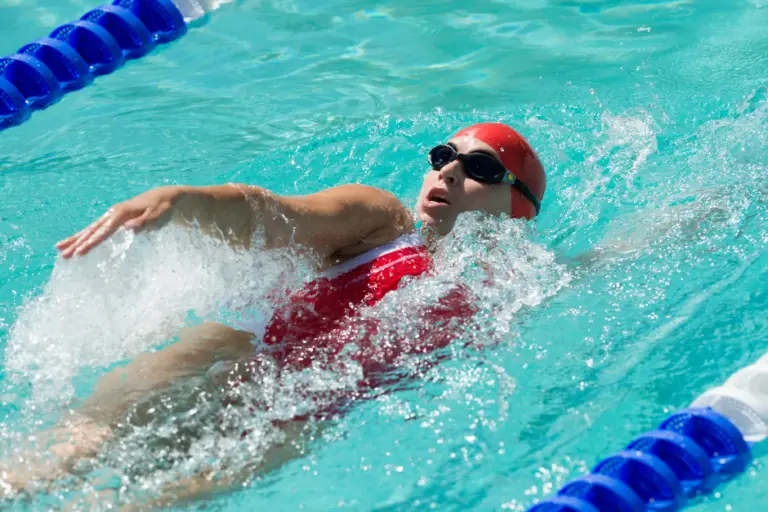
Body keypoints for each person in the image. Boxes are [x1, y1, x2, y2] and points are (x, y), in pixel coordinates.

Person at [0, 122, 546, 506]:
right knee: (43, 469)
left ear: (517, 207)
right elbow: (279, 215)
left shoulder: (498, 292)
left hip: (292, 418)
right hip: (215, 364)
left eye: (477, 167)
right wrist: (188, 200)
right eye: (441, 156)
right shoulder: (383, 223)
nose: (448, 171)